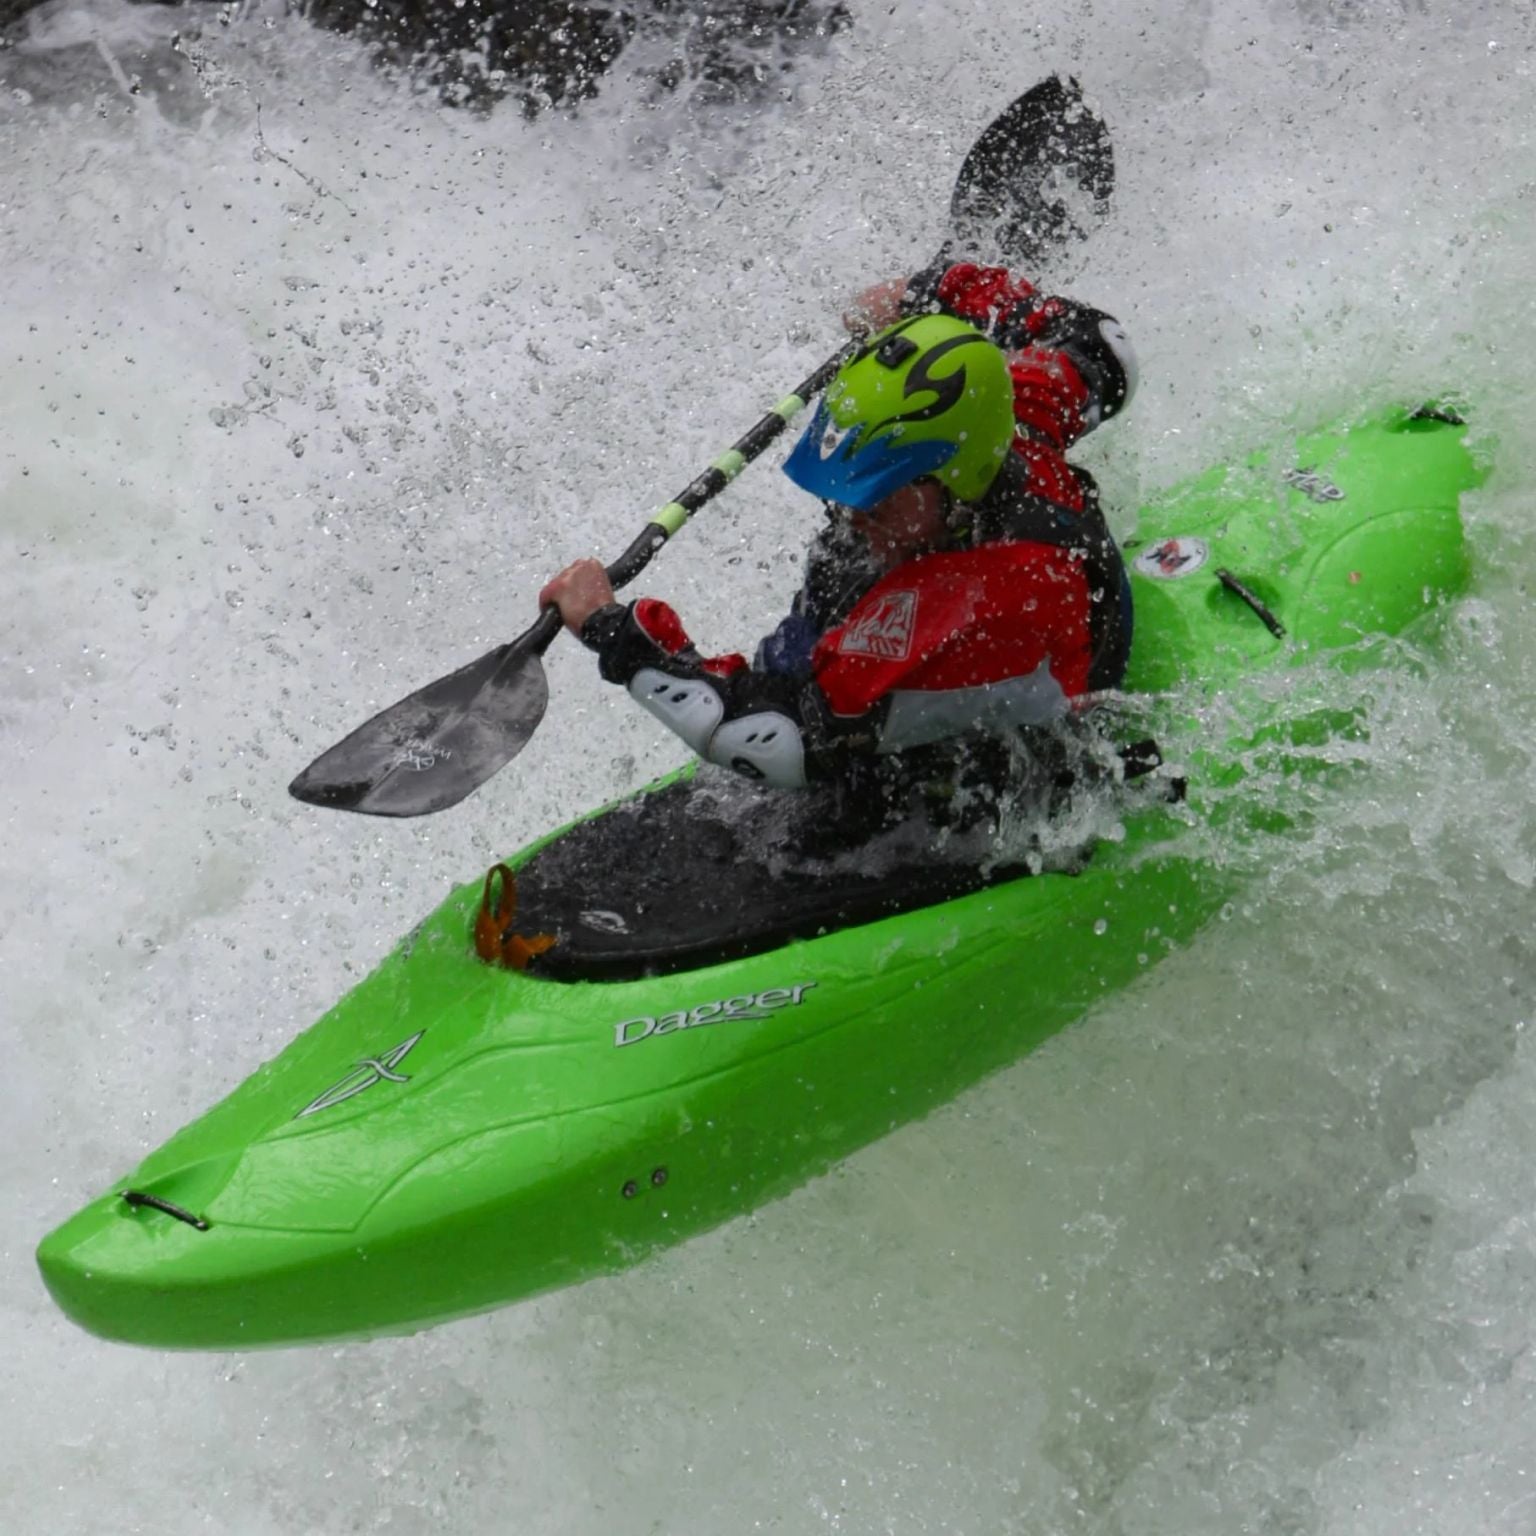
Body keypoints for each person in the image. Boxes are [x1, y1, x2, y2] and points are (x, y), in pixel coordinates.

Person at [538, 259, 1139, 838]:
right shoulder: (1004, 420)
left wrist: (612, 629)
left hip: (1016, 742)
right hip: (931, 613)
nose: (853, 514)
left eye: (879, 496)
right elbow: (1099, 343)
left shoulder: (984, 597)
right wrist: (925, 290)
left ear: (953, 482)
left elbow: (779, 743)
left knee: (819, 738)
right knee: (834, 574)